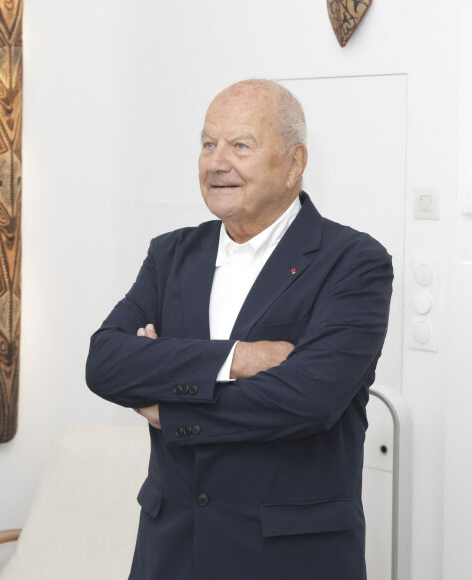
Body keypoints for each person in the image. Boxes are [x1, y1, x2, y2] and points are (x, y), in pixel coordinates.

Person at [86, 79, 393, 580]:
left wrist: (171, 408)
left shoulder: (354, 262)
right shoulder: (170, 255)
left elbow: (307, 400)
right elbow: (105, 362)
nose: (216, 162)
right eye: (208, 144)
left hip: (289, 558)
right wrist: (237, 360)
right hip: (171, 553)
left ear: (294, 163)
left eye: (240, 146)